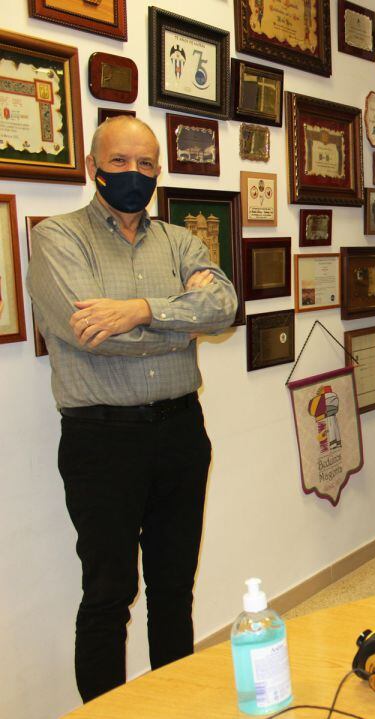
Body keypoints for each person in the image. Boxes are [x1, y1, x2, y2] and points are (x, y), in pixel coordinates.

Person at [26, 116, 238, 702]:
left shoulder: (179, 241)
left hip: (179, 433)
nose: (135, 174)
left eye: (146, 164)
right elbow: (89, 329)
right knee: (108, 593)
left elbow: (222, 305)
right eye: (121, 162)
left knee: (174, 586)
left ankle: (177, 705)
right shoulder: (58, 237)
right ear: (95, 165)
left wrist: (141, 309)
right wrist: (178, 320)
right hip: (102, 440)